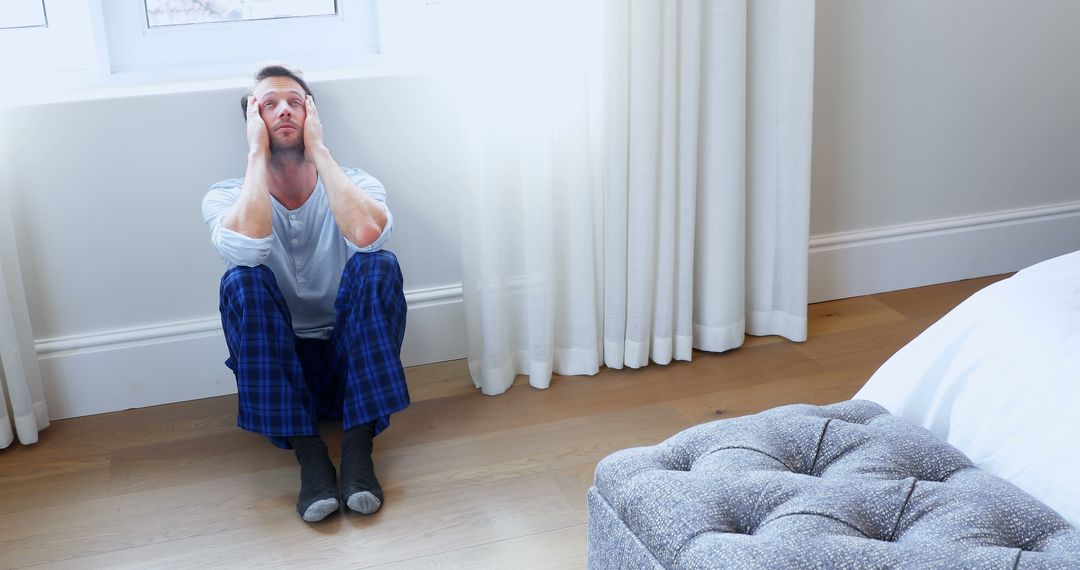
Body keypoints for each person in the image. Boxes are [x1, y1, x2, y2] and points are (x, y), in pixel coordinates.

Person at [201, 64, 410, 523]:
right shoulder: (226, 197)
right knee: (241, 280)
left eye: (296, 102)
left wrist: (319, 150)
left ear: (313, 115)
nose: (284, 111)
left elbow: (370, 237)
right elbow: (247, 248)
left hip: (348, 365)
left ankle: (358, 451)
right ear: (252, 121)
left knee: (379, 265)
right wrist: (256, 154)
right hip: (283, 376)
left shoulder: (355, 183)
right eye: (268, 104)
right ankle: (311, 457)